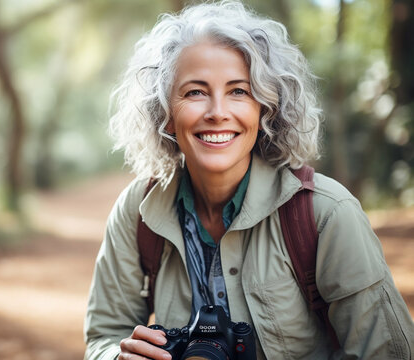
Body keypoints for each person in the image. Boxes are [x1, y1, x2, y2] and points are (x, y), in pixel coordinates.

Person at [83, 1, 414, 359]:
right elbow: (104, 334)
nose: (217, 112)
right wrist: (117, 356)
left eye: (239, 91)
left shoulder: (326, 214)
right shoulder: (139, 210)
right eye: (195, 91)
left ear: (266, 108)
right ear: (164, 111)